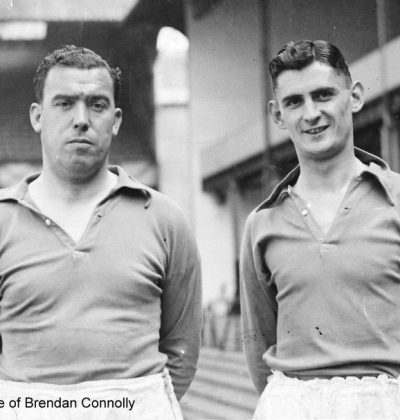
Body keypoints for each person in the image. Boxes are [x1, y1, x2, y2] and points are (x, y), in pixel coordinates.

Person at [0, 45, 202, 419]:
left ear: (116, 119)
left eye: (97, 105)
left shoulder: (164, 219)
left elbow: (182, 346)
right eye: (64, 103)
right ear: (37, 117)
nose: (81, 119)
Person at [240, 39, 400, 419]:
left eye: (324, 95)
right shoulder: (262, 223)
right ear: (278, 115)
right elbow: (258, 344)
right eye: (294, 102)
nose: (311, 113)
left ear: (355, 96)